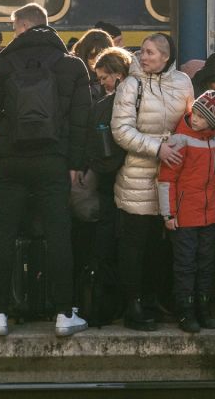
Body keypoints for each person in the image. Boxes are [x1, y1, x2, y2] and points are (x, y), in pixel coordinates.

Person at [0, 3, 91, 338]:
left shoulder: (4, 65)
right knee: (59, 235)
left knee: (4, 235)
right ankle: (63, 313)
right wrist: (74, 164)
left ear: (23, 26)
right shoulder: (72, 66)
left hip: (10, 161)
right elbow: (81, 121)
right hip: (53, 161)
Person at [112, 32, 194, 331]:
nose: (142, 56)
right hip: (137, 176)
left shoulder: (183, 82)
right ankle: (133, 304)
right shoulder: (131, 85)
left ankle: (154, 300)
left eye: (149, 52)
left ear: (165, 57)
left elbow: (190, 121)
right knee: (135, 244)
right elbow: (120, 130)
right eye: (142, 52)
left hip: (171, 177)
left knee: (161, 246)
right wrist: (158, 147)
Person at [158, 88, 215, 333]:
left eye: (201, 116)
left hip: (210, 213)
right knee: (186, 265)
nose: (194, 118)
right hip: (185, 214)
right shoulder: (180, 138)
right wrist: (168, 214)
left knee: (206, 264)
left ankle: (204, 308)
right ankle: (186, 312)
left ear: (212, 122)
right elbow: (167, 179)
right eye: (194, 113)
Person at [86, 47, 133, 325]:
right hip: (133, 183)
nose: (102, 83)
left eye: (105, 77)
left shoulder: (105, 106)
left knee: (106, 239)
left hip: (110, 181)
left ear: (118, 75)